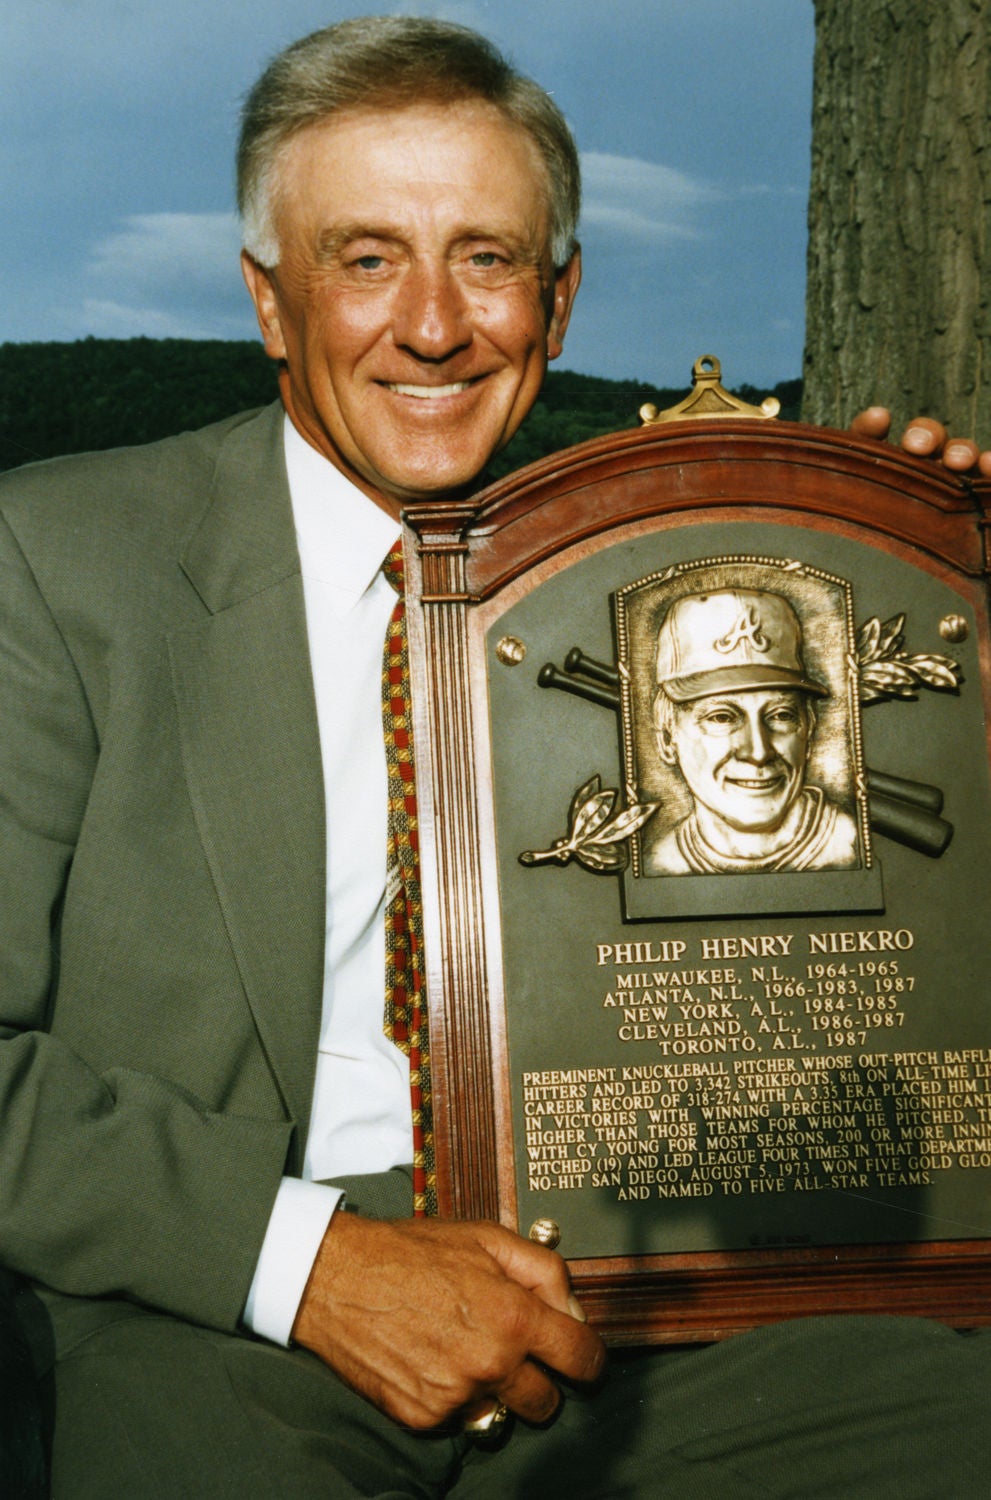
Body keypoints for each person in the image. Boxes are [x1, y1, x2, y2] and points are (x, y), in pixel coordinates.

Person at [1, 16, 990, 1498]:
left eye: (485, 258)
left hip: (654, 1280)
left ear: (561, 300)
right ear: (270, 304)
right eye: (363, 258)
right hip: (223, 1307)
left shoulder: (656, 575)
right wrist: (312, 1266)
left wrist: (920, 585)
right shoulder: (54, 560)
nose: (432, 325)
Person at [648, 588, 859, 874]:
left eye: (781, 715)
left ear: (808, 730)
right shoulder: (660, 862)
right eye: (722, 717)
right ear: (666, 738)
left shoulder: (851, 845)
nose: (758, 752)